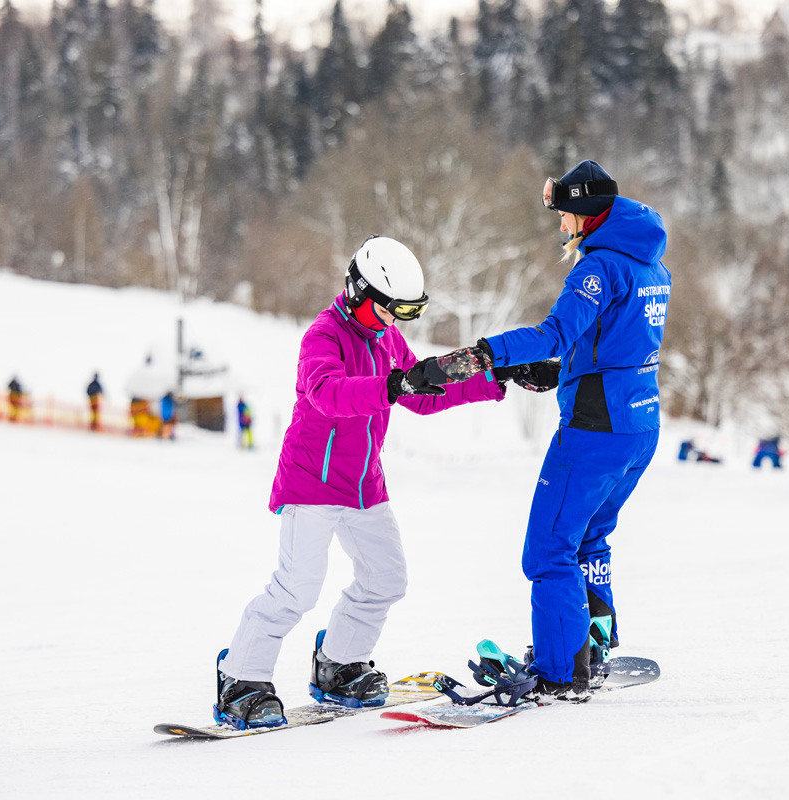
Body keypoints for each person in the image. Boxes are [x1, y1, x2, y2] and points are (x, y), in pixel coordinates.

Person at [214, 235, 540, 730]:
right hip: (312, 482)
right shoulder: (323, 337)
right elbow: (328, 394)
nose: (396, 322)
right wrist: (393, 384)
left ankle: (339, 663)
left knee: (386, 578)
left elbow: (423, 393)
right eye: (392, 311)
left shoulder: (387, 340)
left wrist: (497, 379)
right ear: (359, 292)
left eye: (405, 314)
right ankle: (240, 677)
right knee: (297, 586)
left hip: (364, 484)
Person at [427, 159, 671, 703]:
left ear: (586, 214)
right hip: (639, 427)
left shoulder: (598, 268)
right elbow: (617, 348)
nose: (562, 226)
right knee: (589, 540)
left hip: (593, 431)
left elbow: (555, 333)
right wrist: (553, 373)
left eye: (565, 215)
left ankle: (563, 670)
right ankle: (591, 646)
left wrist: (484, 356)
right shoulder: (651, 268)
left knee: (548, 551)